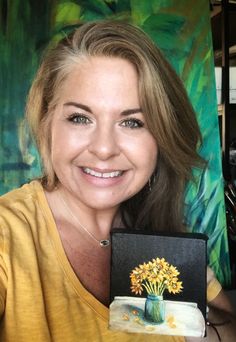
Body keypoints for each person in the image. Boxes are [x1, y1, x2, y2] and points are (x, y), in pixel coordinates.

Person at [0, 20, 234, 341]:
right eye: (80, 118)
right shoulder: (7, 235)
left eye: (133, 122)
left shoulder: (162, 237)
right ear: (47, 122)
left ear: (161, 136)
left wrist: (191, 316)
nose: (104, 148)